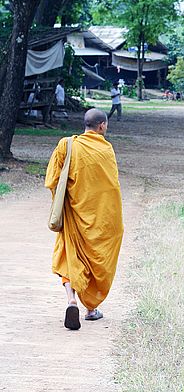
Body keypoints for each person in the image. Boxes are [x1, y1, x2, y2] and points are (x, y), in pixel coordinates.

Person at [45, 108, 124, 330]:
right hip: (100, 219)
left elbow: (52, 180)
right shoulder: (106, 149)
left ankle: (71, 299)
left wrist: (66, 200)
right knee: (95, 258)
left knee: (70, 255)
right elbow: (111, 187)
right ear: (102, 126)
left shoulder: (66, 145)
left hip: (74, 215)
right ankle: (90, 308)